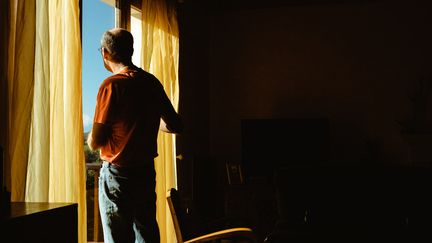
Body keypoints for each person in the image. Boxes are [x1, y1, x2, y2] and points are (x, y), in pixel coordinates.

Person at [87, 28, 183, 243]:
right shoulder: (150, 82)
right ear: (131, 50)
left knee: (119, 238)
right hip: (145, 172)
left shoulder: (112, 85)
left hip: (118, 175)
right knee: (146, 233)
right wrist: (145, 120)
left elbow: (96, 141)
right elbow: (176, 125)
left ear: (105, 53)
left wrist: (90, 138)